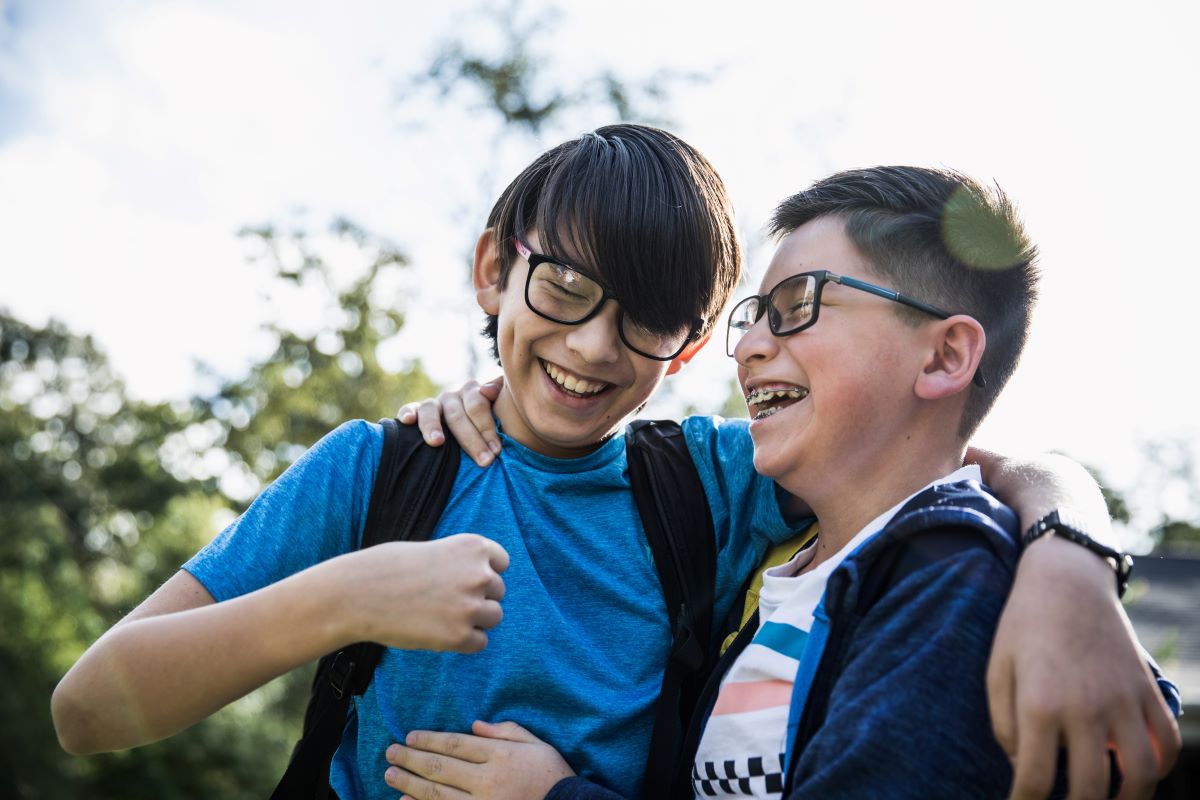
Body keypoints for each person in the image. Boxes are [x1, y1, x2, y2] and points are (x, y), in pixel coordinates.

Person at [51, 129, 1175, 798]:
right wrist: (344, 593)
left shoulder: (713, 482)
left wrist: (1073, 547)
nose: (594, 346)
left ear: (689, 343)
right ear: (497, 267)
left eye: (647, 321)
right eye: (565, 289)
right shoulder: (381, 471)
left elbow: (955, 467)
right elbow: (89, 707)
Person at [380, 169, 1181, 799]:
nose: (749, 346)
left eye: (798, 306)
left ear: (943, 357)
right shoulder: (789, 572)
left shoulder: (952, 584)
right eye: (754, 313)